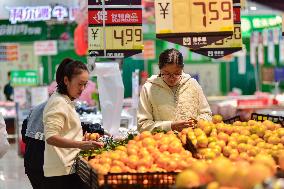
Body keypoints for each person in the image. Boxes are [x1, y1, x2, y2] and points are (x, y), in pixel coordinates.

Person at [42, 58, 103, 189]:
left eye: (85, 84)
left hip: (68, 168)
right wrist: (81, 144)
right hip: (62, 172)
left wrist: (80, 138)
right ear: (66, 80)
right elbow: (51, 137)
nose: (82, 89)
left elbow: (65, 132)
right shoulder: (58, 102)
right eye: (80, 84)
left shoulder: (66, 100)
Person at [137, 48, 212, 132]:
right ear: (159, 69)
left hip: (192, 140)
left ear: (182, 69)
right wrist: (170, 126)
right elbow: (142, 125)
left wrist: (196, 123)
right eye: (167, 73)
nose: (172, 78)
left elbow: (207, 114)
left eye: (177, 73)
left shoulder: (193, 84)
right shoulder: (148, 89)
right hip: (162, 143)